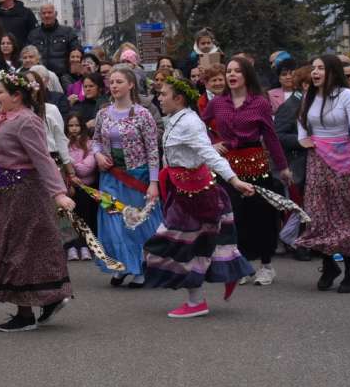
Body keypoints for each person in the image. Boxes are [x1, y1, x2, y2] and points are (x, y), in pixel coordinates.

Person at [143, 76, 257, 317]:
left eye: (163, 94)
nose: (159, 98)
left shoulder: (191, 123)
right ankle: (200, 297)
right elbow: (170, 158)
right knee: (191, 246)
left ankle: (197, 302)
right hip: (181, 191)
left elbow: (210, 155)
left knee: (176, 245)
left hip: (197, 196)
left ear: (179, 98)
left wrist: (235, 180)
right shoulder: (174, 119)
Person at [0, 71, 78, 331]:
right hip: (6, 193)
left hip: (25, 192)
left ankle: (26, 313)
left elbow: (43, 159)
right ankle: (49, 298)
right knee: (14, 246)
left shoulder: (27, 121)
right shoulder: (4, 119)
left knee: (22, 249)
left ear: (16, 96)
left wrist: (58, 193)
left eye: (1, 92)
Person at [294, 54, 350, 292]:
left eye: (321, 68)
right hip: (318, 160)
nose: (316, 72)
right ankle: (329, 264)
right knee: (319, 213)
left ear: (332, 71)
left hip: (344, 161)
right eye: (314, 68)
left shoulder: (346, 95)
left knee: (345, 214)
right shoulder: (310, 94)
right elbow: (301, 119)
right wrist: (303, 139)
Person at [206, 54, 291, 286]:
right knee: (235, 217)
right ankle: (243, 265)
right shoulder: (217, 103)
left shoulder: (260, 102)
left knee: (261, 216)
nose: (231, 75)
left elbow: (271, 137)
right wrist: (211, 143)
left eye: (237, 71)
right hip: (229, 167)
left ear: (247, 76)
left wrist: (282, 166)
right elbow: (198, 126)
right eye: (229, 71)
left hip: (255, 163)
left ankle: (266, 266)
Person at [92, 68, 163, 287]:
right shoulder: (103, 113)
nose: (114, 86)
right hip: (111, 177)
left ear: (131, 85)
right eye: (111, 82)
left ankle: (140, 266)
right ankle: (123, 265)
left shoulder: (143, 114)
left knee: (136, 223)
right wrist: (98, 155)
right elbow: (94, 139)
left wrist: (153, 183)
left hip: (137, 177)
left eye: (119, 81)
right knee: (113, 223)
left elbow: (153, 150)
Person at [65, 114, 100, 260]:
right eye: (71, 125)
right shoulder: (63, 144)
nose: (74, 129)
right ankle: (71, 246)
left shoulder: (90, 144)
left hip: (87, 188)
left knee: (85, 216)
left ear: (82, 127)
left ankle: (85, 245)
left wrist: (70, 163)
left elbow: (87, 169)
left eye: (77, 125)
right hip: (68, 188)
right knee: (70, 217)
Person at [26, 4, 80, 69]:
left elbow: (77, 51)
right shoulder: (33, 34)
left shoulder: (68, 32)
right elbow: (27, 54)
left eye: (49, 12)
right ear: (40, 15)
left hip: (62, 75)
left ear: (56, 14)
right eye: (44, 13)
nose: (46, 15)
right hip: (39, 75)